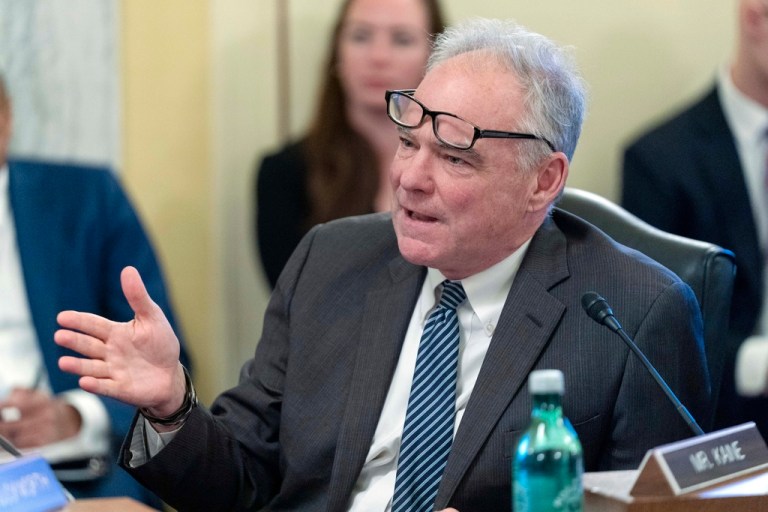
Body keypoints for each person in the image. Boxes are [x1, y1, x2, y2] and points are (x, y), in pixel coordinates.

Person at [55, 18, 710, 512]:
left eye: (455, 158)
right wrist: (172, 407)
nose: (409, 178)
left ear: (544, 181)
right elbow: (244, 481)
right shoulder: (331, 260)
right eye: (407, 143)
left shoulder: (634, 312)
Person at [0, 73, 191, 508]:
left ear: (6, 118)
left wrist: (73, 416)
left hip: (75, 470)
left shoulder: (87, 200)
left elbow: (164, 365)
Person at [621, 0, 768, 435]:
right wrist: (759, 363)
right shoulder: (661, 162)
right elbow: (656, 334)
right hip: (728, 423)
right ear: (756, 14)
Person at [255, 0, 445, 288]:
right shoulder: (284, 174)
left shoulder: (463, 165)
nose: (378, 57)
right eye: (361, 36)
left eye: (401, 39)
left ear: (434, 58)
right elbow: (296, 302)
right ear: (337, 54)